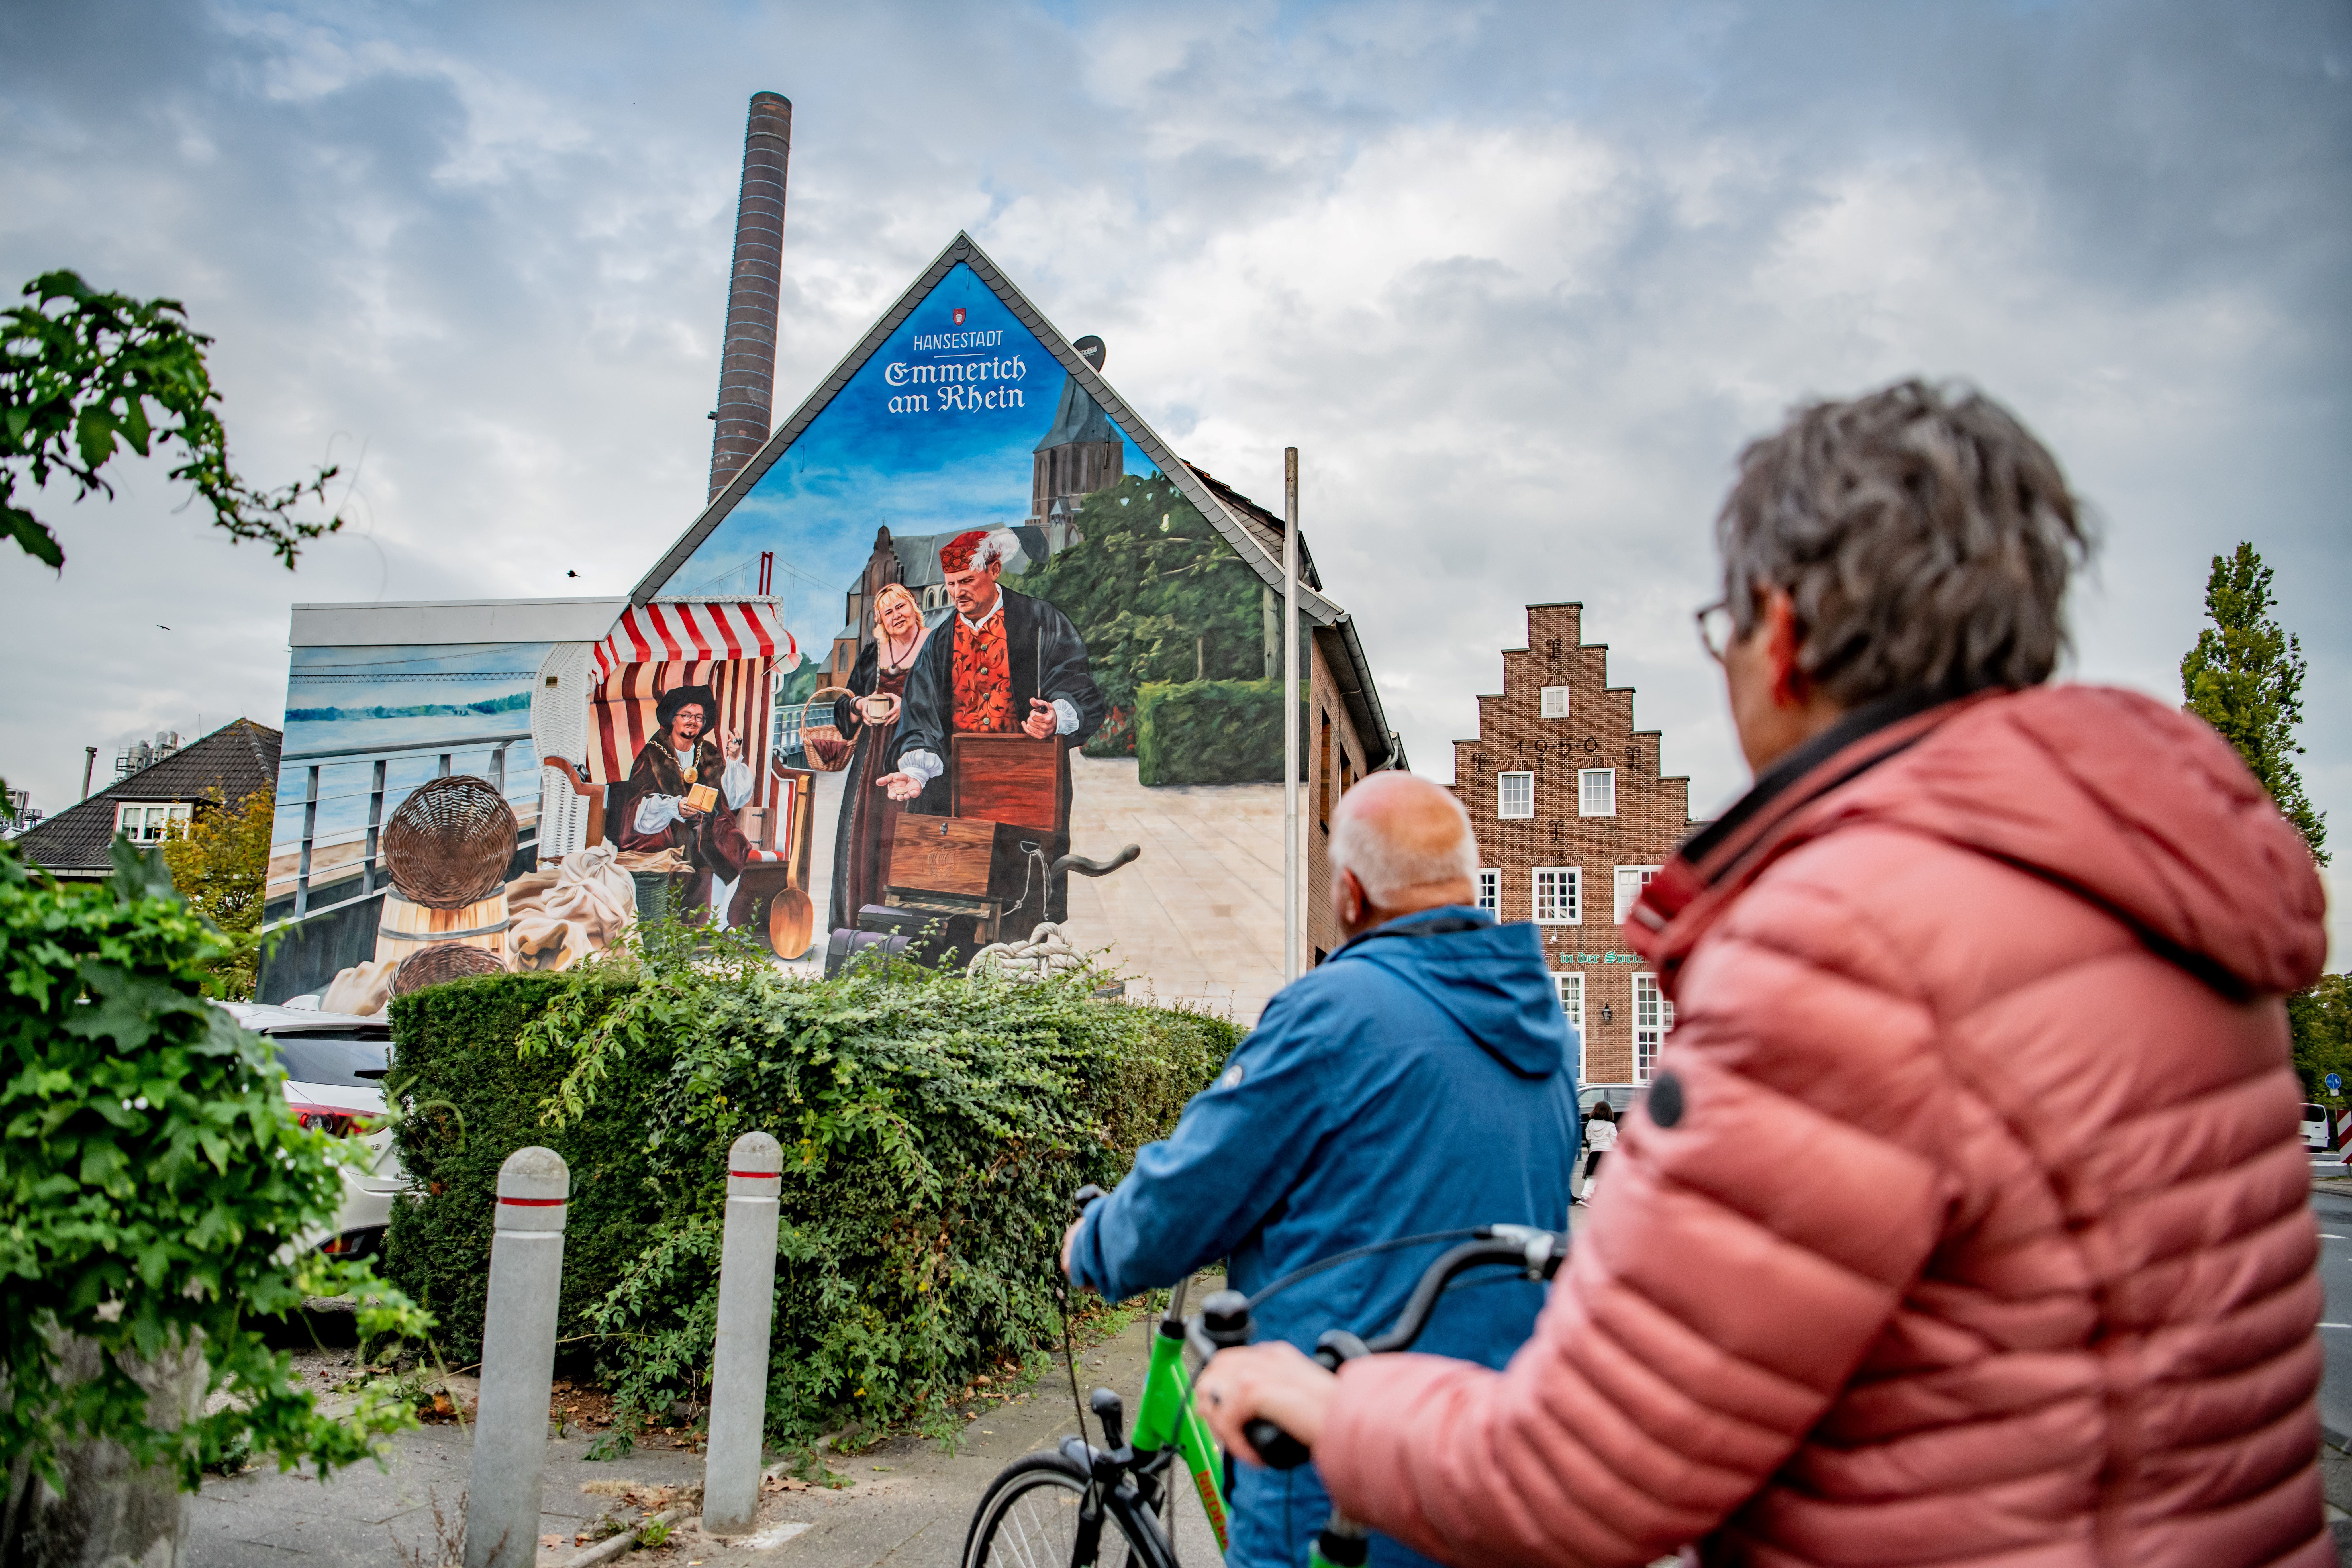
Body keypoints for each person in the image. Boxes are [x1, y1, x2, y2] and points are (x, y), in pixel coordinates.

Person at [1195, 380, 2331, 1567]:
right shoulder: (2158, 897)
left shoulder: (1847, 945)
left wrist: (1337, 1410)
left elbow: (1592, 1465)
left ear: (1779, 634)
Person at [1062, 770, 1579, 1568]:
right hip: (1495, 1462)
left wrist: (1094, 1243)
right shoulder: (1545, 1038)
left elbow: (1196, 1186)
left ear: (1350, 894)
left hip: (1337, 1479)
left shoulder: (1334, 1013)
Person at [877, 527, 1106, 920]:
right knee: (958, 906)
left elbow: (1077, 684)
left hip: (1026, 788)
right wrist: (916, 771)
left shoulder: (1040, 620)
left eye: (967, 581)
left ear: (995, 569)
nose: (958, 592)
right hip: (957, 793)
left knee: (1024, 907)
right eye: (951, 585)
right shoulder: (939, 641)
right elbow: (920, 712)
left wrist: (1055, 717)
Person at [828, 581, 934, 924]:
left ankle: (910, 928)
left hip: (917, 751)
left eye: (900, 607)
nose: (896, 616)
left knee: (908, 836)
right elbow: (844, 702)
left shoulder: (935, 644)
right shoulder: (874, 654)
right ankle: (860, 920)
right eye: (887, 612)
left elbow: (949, 698)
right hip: (872, 758)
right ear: (881, 621)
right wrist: (860, 703)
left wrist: (908, 706)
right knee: (866, 835)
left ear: (913, 606)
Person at [618, 683, 755, 925]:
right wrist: (673, 808)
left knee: (732, 843)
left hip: (709, 825)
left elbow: (731, 798)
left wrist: (734, 760)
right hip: (666, 829)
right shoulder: (653, 753)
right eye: (687, 716)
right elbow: (638, 805)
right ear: (673, 719)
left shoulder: (708, 752)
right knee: (688, 845)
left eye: (699, 717)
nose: (693, 722)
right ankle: (683, 926)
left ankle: (719, 922)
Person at [1573, 1100, 1614, 1205]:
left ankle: (1585, 1196)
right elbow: (1614, 1141)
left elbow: (1588, 1138)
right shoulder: (1611, 1126)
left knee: (1592, 1177)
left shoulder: (1591, 1123)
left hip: (1594, 1153)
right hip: (1607, 1154)